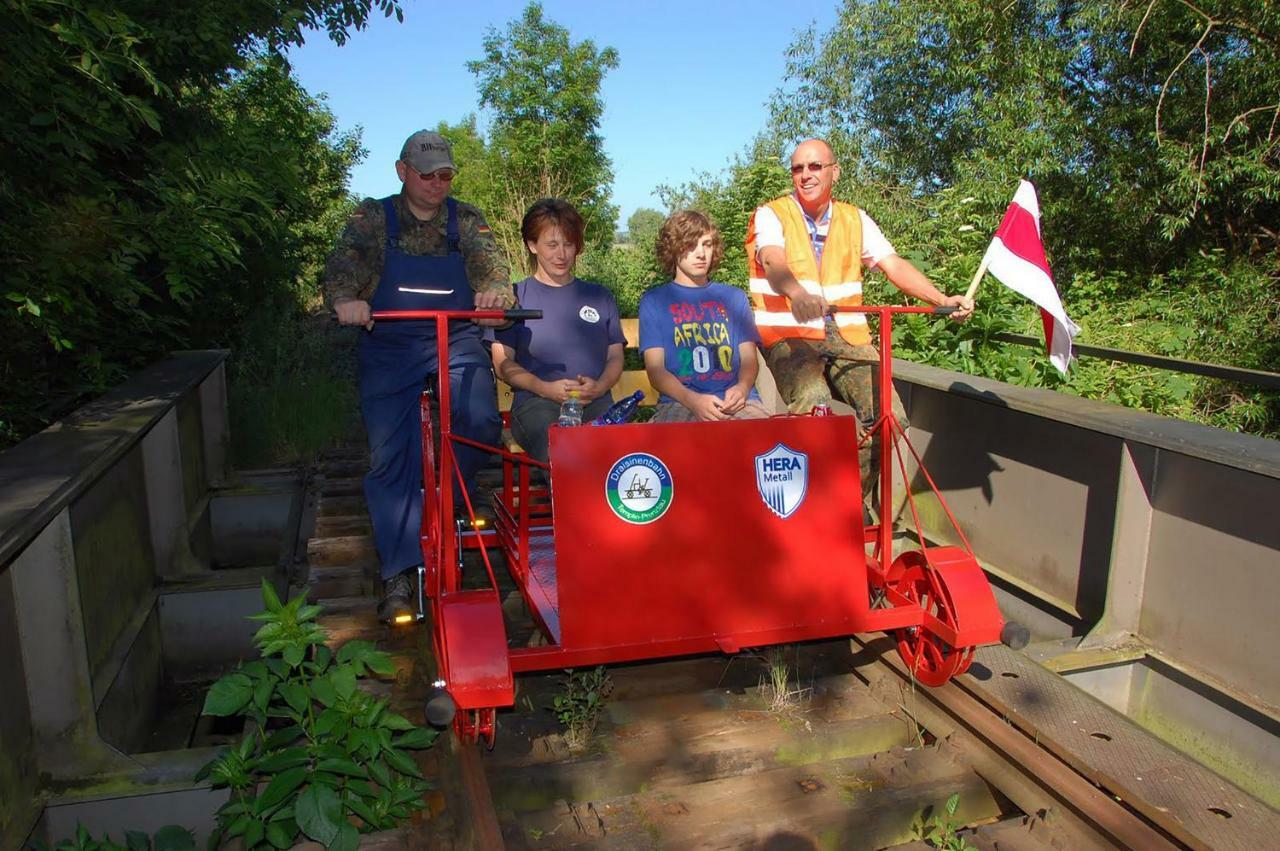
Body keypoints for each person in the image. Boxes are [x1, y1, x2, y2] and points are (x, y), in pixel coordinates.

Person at [324, 130, 514, 623]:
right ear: (403, 171)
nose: (436, 183)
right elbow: (344, 265)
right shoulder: (373, 218)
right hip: (391, 343)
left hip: (455, 339)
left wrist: (494, 295)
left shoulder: (467, 220)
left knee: (478, 421)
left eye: (445, 174)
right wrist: (347, 300)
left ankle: (447, 503)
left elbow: (493, 270)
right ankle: (399, 569)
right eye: (426, 174)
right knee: (391, 456)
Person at [745, 138, 973, 502]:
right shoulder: (772, 214)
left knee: (890, 417)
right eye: (798, 169)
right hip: (791, 333)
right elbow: (773, 260)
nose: (805, 175)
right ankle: (805, 506)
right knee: (813, 402)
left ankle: (844, 502)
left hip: (846, 333)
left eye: (815, 166)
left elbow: (893, 264)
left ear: (835, 171)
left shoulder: (855, 219)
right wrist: (798, 294)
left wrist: (942, 299)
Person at [491, 199, 625, 462]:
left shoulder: (599, 296)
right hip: (536, 405)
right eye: (552, 245)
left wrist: (599, 387)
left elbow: (615, 357)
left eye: (568, 244)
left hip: (594, 403)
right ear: (532, 245)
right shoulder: (515, 296)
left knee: (620, 453)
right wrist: (543, 387)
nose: (561, 254)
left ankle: (594, 504)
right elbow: (501, 363)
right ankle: (576, 504)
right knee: (563, 453)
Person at [640, 211, 769, 422]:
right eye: (690, 245)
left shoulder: (733, 297)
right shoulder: (654, 301)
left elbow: (748, 359)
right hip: (679, 401)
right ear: (673, 249)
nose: (701, 254)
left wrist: (743, 388)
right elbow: (656, 371)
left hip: (739, 401)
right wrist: (693, 400)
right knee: (679, 445)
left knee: (768, 439)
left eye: (707, 244)